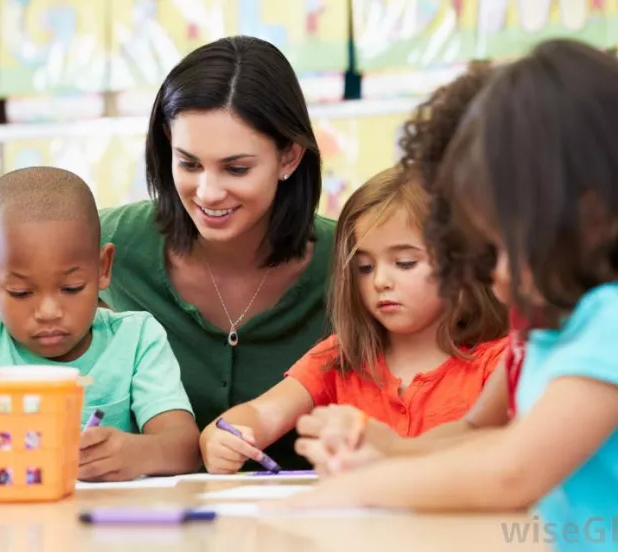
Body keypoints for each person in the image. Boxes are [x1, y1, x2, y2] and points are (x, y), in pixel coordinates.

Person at [277, 40, 618, 552]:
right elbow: (483, 434)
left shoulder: (609, 322)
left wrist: (362, 488)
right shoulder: (553, 331)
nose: (495, 278)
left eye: (504, 248)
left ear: (588, 214)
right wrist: (388, 452)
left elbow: (512, 470)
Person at [99, 36, 335, 469]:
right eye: (188, 164)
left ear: (290, 157)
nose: (207, 192)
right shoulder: (107, 243)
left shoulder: (353, 261)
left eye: (236, 168)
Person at [294, 61, 527, 473]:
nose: (478, 266)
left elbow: (512, 471)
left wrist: (375, 468)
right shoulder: (534, 333)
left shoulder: (596, 332)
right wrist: (383, 450)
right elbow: (472, 431)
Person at [200, 166, 508, 473]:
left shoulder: (500, 362)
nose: (380, 281)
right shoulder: (340, 356)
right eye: (364, 267)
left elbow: (503, 458)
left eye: (404, 263)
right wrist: (221, 438)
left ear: (463, 264)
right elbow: (261, 414)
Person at [0, 167, 200, 482]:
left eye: (71, 288)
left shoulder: (136, 338)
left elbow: (185, 447)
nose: (49, 311)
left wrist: (137, 453)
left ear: (103, 268)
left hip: (108, 525)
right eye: (21, 292)